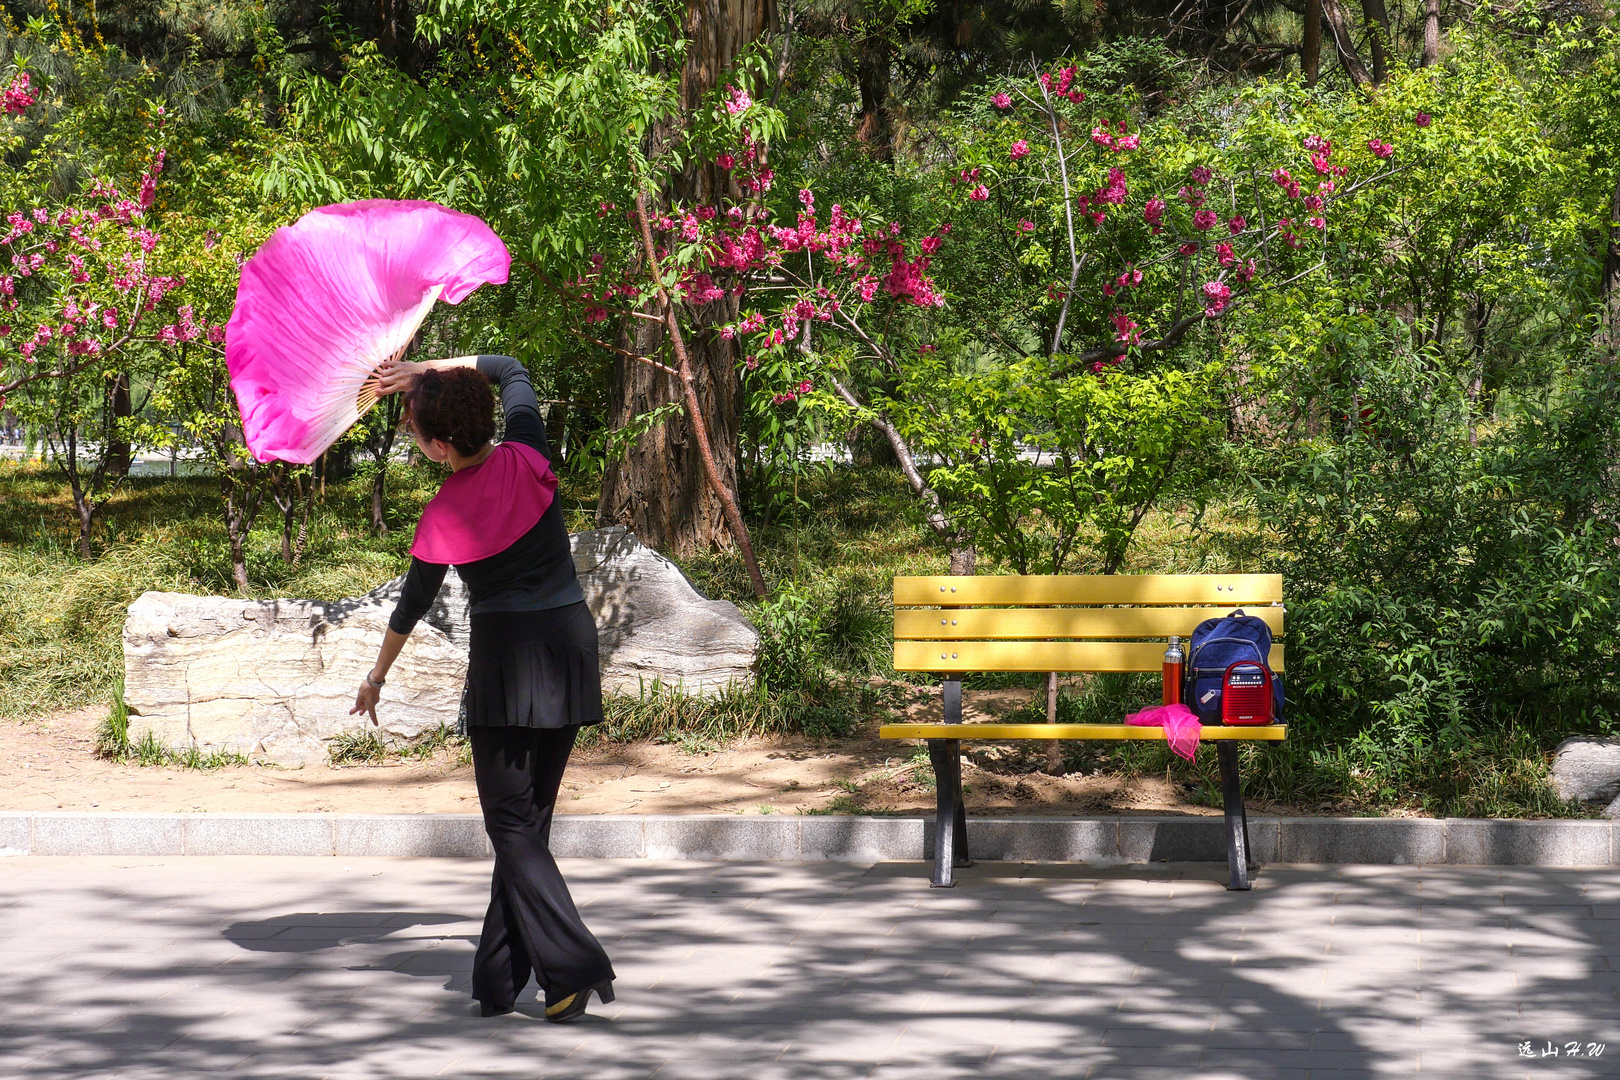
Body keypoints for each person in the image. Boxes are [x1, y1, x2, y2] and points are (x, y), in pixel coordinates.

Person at [350, 353, 615, 1022]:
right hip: (569, 644)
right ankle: (500, 980)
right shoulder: (528, 452)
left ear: (439, 445)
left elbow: (410, 606)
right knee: (528, 822)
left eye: (416, 431)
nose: (416, 440)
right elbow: (512, 366)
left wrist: (376, 678)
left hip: (506, 661)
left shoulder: (445, 512)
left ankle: (572, 964)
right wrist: (427, 372)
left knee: (511, 823)